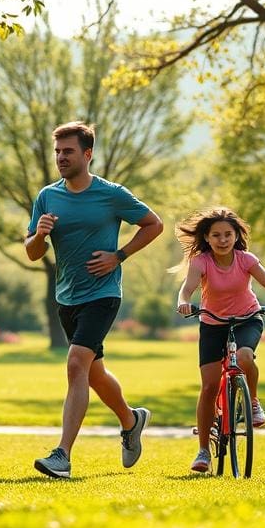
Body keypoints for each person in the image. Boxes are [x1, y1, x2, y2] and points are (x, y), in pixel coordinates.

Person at [26, 121, 163, 479]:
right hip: (66, 297)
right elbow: (32, 253)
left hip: (103, 294)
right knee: (94, 374)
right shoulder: (47, 196)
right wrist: (40, 235)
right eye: (57, 151)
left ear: (87, 154)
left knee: (75, 365)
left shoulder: (111, 194)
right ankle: (131, 421)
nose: (60, 157)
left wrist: (119, 255)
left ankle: (62, 456)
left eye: (67, 151)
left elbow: (153, 224)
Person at [174, 207, 265, 474]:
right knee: (210, 386)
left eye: (227, 235)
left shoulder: (245, 259)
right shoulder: (201, 261)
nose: (222, 240)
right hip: (212, 323)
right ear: (207, 238)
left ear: (236, 236)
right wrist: (184, 302)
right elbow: (187, 289)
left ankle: (253, 402)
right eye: (216, 235)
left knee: (245, 357)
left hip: (247, 318)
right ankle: (202, 451)